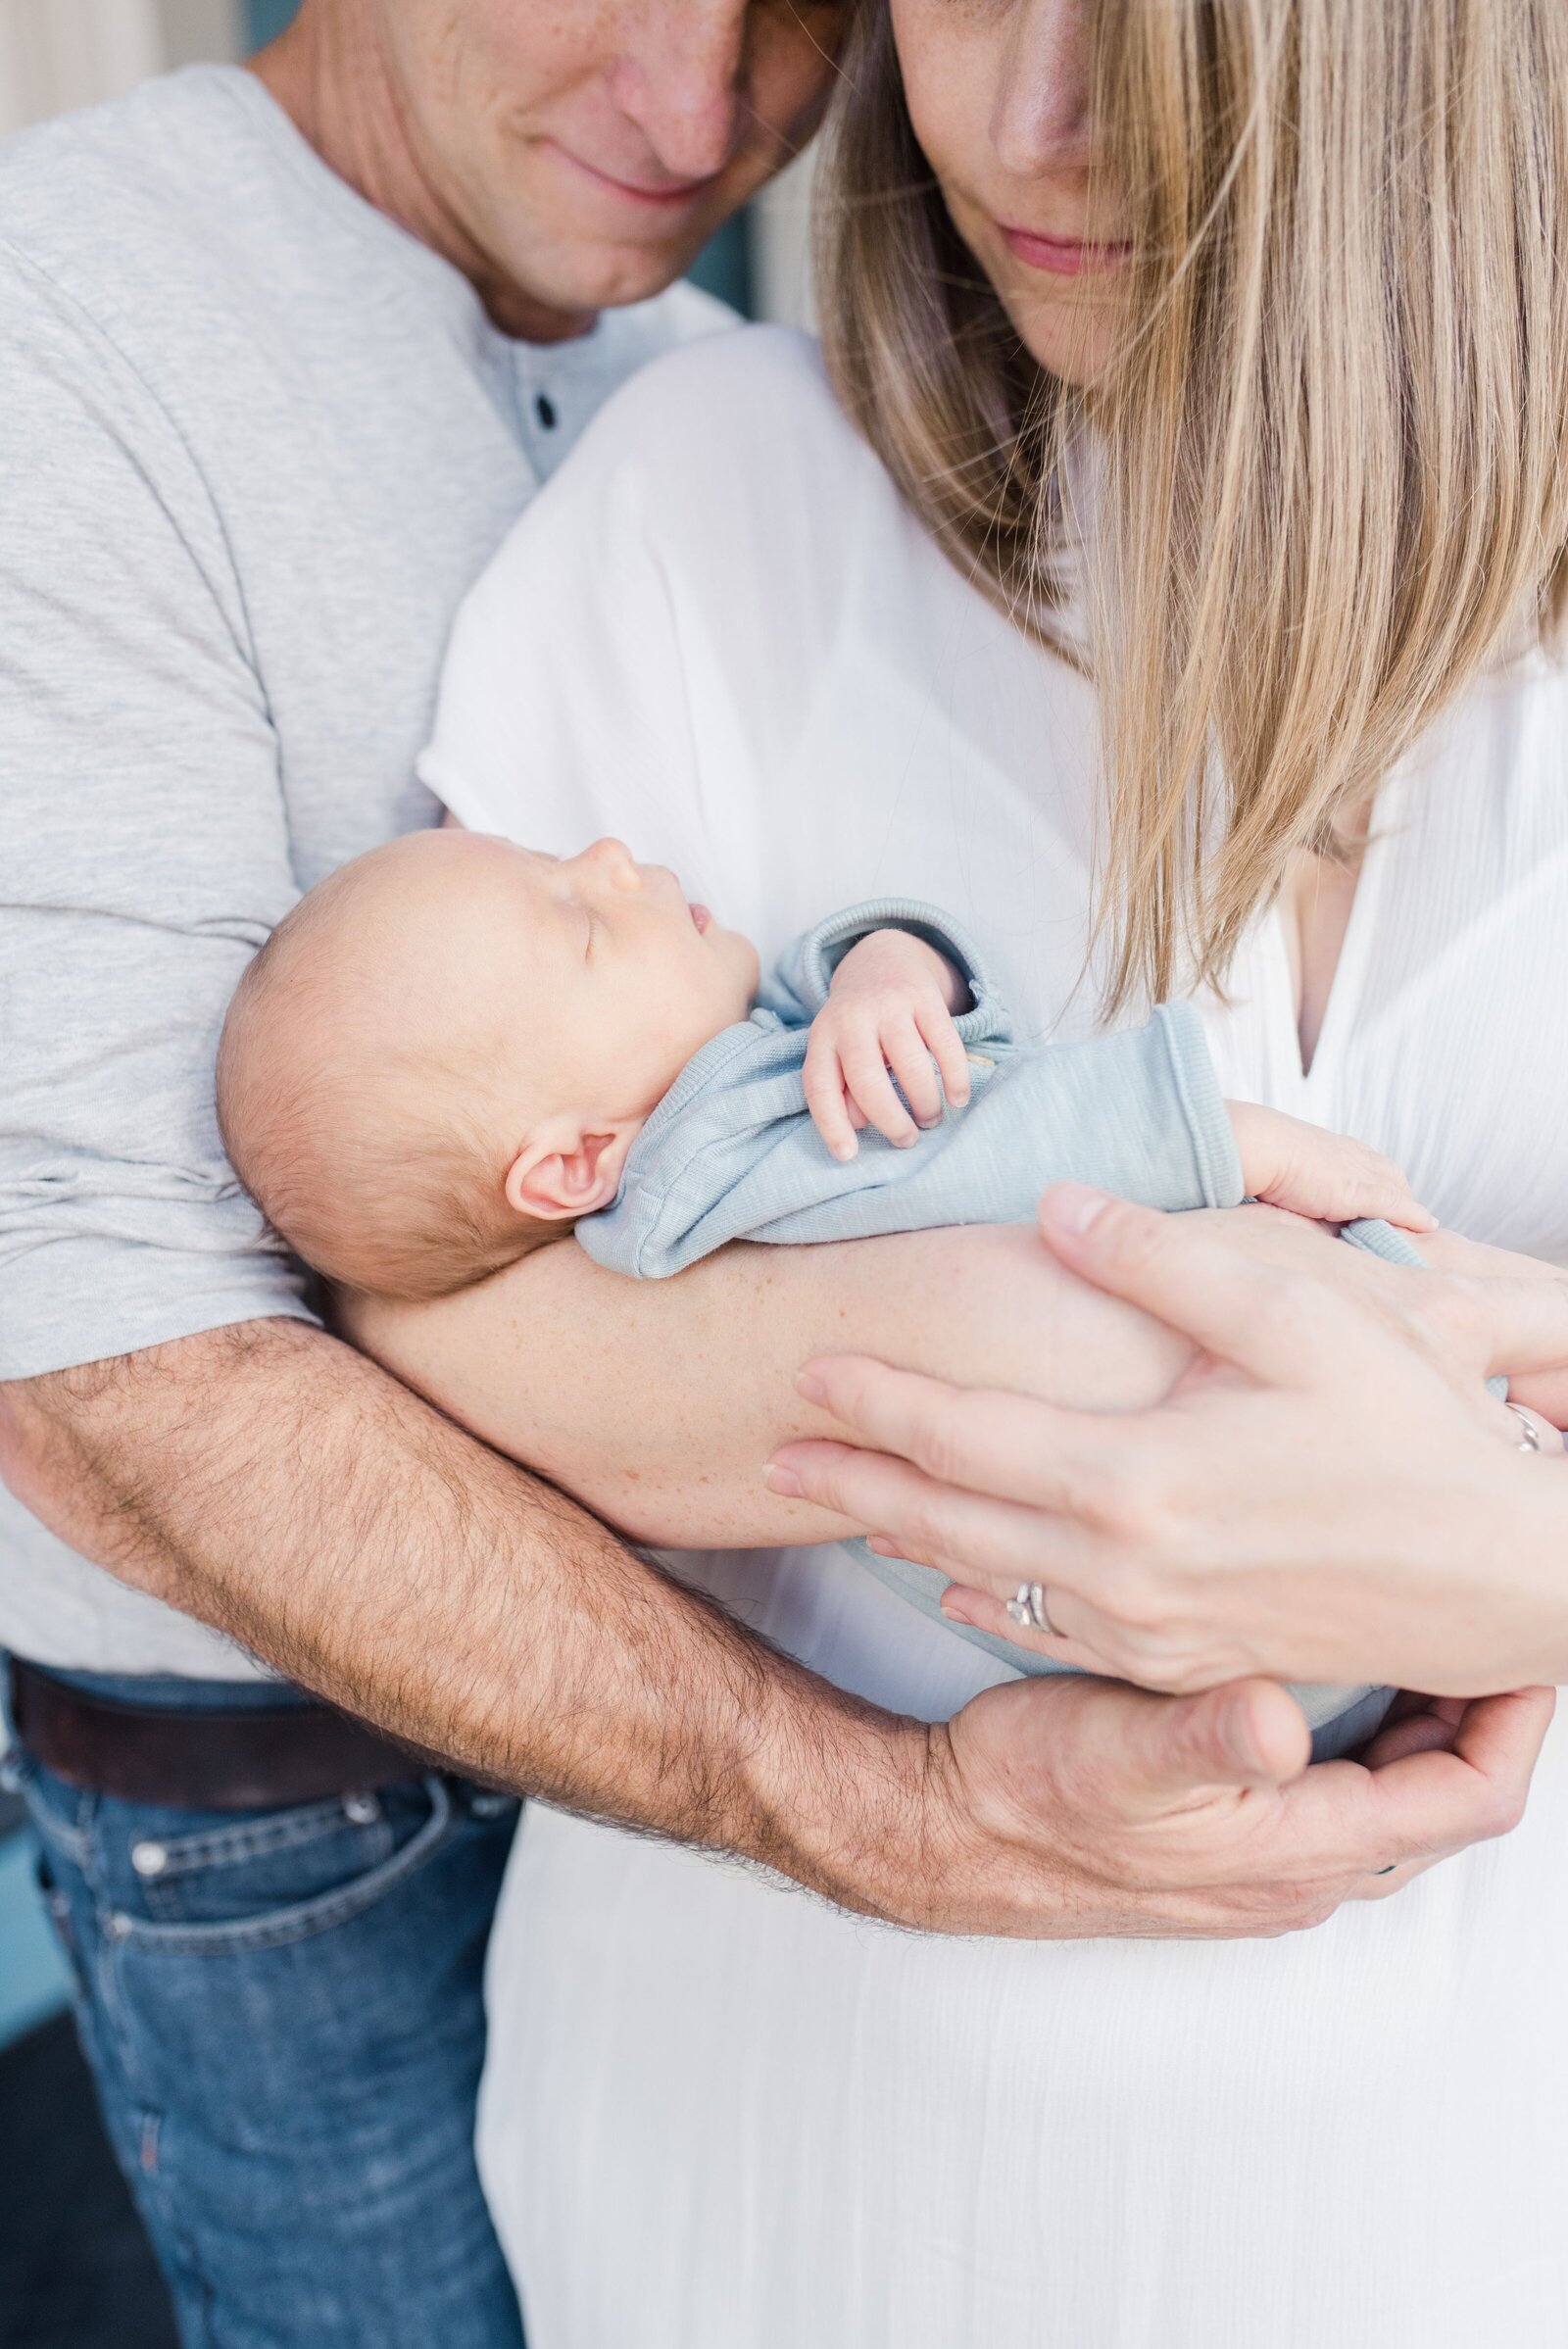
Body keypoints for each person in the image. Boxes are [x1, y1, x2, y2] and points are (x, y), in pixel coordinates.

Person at [3, 2, 1519, 2340]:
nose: (703, 112)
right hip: (307, 1802)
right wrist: (896, 1795)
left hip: (1368, 2159)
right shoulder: (117, 332)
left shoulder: (616, 380)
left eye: (795, 3)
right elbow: (122, 1339)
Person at [216, 823, 1428, 1759]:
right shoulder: (704, 1187)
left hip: (1247, 1599)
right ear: (576, 1165)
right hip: (1257, 1596)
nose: (605, 856)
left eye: (553, 858)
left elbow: (845, 1023)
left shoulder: (704, 1125)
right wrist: (1230, 1139)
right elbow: (979, 1151)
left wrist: (883, 970)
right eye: (580, 925)